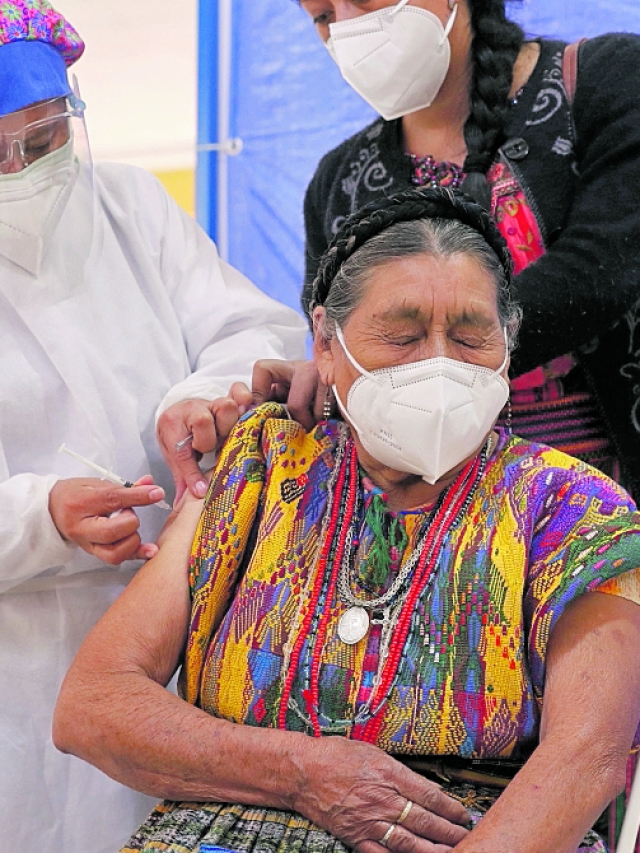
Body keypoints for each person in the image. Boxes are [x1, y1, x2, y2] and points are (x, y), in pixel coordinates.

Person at [54, 188, 640, 853]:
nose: (439, 362)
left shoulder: (574, 509)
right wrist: (302, 772)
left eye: (472, 335)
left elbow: (586, 757)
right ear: (325, 345)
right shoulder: (259, 467)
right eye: (402, 334)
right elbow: (93, 705)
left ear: (507, 345)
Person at [0, 3, 307, 852]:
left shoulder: (129, 204)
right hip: (15, 658)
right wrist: (41, 515)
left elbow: (261, 331)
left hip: (175, 623)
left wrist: (206, 397)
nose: (24, 171)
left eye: (46, 139)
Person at [295, 0, 640, 498]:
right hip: (433, 539)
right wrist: (319, 374)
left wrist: (411, 350)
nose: (347, 27)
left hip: (612, 509)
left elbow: (599, 272)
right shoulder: (338, 181)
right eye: (322, 15)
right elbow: (337, 342)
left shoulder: (605, 81)